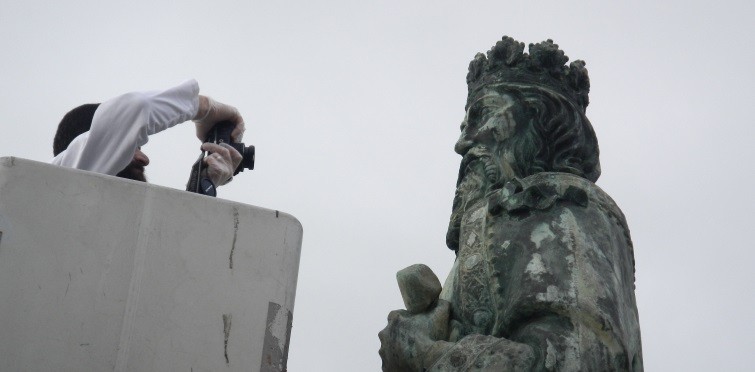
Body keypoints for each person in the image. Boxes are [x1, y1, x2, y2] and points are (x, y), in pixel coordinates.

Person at [379, 37, 643, 371]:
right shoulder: (510, 222)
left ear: (543, 124)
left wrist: (425, 353)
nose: (463, 142)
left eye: (484, 116)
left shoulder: (564, 208)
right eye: (464, 125)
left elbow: (579, 360)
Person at [52, 79, 244, 187]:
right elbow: (134, 108)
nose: (144, 159)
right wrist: (205, 109)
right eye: (131, 146)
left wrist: (205, 184)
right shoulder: (66, 176)